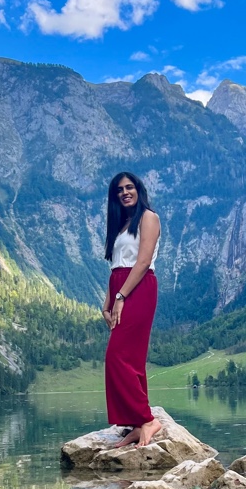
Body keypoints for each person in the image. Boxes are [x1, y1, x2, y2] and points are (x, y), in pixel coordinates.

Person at [102, 171, 162, 448]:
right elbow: (116, 266)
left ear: (138, 189)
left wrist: (122, 296)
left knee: (117, 356)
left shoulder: (148, 218)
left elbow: (142, 261)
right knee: (133, 360)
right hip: (122, 286)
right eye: (119, 190)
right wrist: (108, 300)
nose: (125, 192)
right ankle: (139, 424)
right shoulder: (122, 224)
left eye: (130, 187)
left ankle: (147, 420)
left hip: (138, 288)